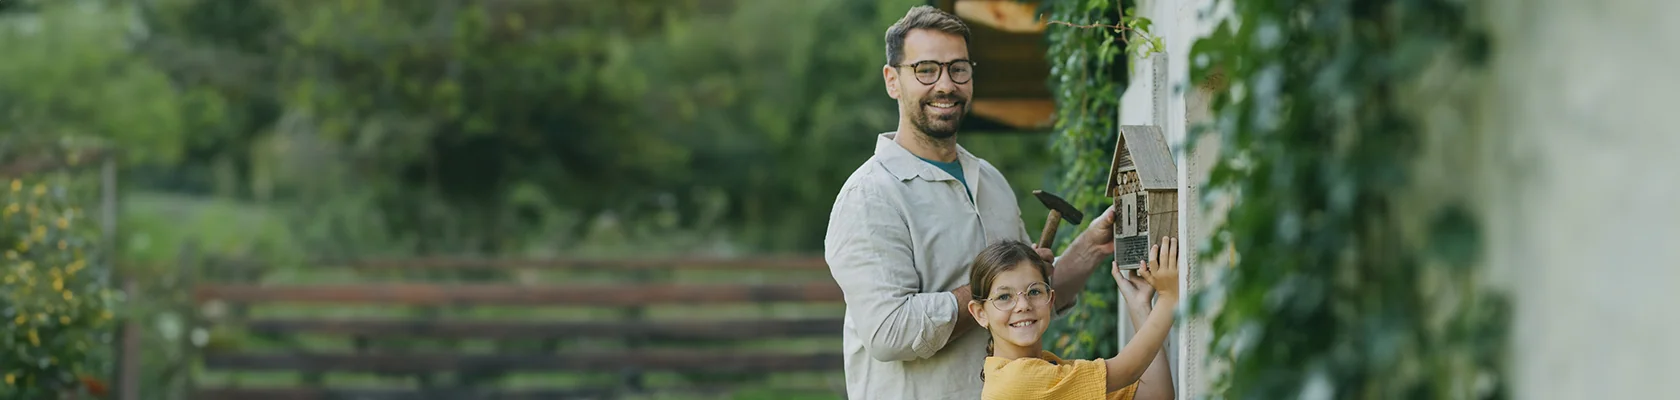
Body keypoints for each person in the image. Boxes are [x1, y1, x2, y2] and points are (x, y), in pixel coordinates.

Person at [823, 5, 1119, 399]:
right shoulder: (870, 197)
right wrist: (989, 294)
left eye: (958, 68)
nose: (945, 84)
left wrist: (1091, 248)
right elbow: (889, 333)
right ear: (893, 80)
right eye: (926, 70)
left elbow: (1027, 300)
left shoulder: (990, 180)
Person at [968, 238, 1178, 400]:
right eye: (1004, 297)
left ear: (1050, 300)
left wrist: (1140, 307)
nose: (1023, 305)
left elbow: (1154, 395)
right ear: (980, 313)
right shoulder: (1019, 380)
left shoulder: (1047, 367)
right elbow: (1127, 369)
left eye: (1034, 292)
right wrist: (1168, 298)